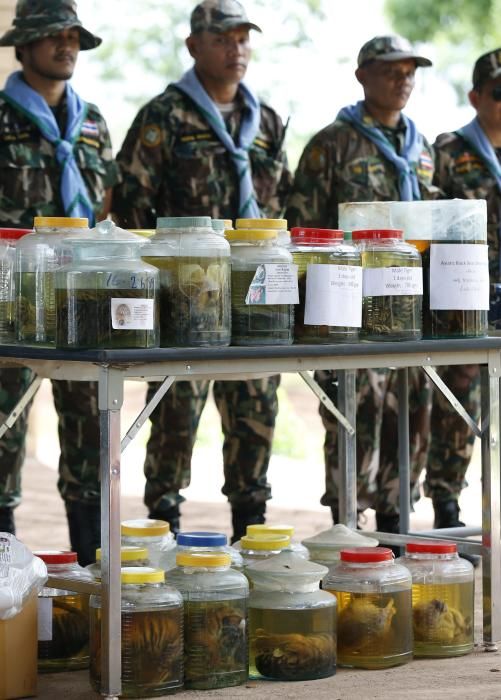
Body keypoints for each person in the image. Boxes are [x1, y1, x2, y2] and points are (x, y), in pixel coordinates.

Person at [113, 0, 291, 542]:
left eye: (242, 38)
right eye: (222, 38)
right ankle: (161, 536)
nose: (236, 48)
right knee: (172, 422)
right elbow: (129, 207)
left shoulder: (267, 122)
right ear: (194, 46)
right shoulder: (164, 117)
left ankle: (250, 534)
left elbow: (281, 203)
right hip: (183, 300)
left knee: (255, 415)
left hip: (254, 296)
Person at [286, 35, 436, 532]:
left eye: (410, 70)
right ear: (362, 75)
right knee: (354, 413)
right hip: (348, 311)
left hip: (408, 310)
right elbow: (301, 229)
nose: (403, 79)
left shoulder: (420, 147)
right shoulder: (332, 144)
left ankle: (397, 526)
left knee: (410, 413)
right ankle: (346, 523)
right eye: (392, 70)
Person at [0, 0, 119, 564]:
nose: (65, 45)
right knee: (1, 439)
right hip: (10, 302)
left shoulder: (93, 124)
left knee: (90, 439)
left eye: (72, 35)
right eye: (52, 35)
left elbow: (108, 209)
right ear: (23, 47)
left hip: (82, 301)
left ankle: (95, 579)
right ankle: (6, 582)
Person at [427, 48, 501, 528]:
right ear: (475, 97)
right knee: (458, 405)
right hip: (470, 300)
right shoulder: (449, 151)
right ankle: (447, 505)